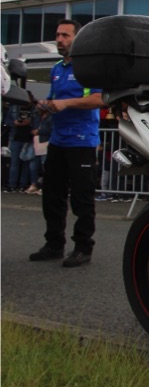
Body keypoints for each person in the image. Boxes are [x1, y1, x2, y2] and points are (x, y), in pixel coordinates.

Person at [29, 19, 104, 268]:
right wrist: (45, 107)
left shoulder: (90, 68)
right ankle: (54, 245)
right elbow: (54, 99)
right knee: (52, 196)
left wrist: (66, 104)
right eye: (57, 35)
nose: (59, 40)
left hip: (82, 141)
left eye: (65, 35)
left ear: (78, 39)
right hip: (58, 141)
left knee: (82, 199)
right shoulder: (56, 69)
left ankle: (83, 247)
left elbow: (98, 99)